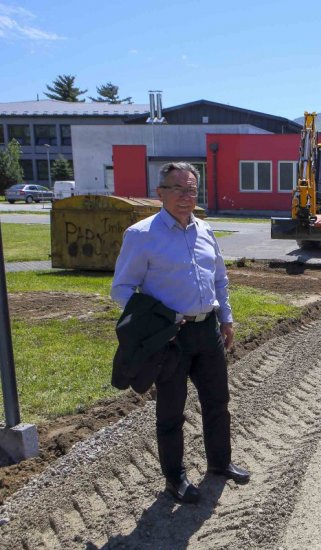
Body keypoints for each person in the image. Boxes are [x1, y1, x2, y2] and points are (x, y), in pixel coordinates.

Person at [111, 162, 250, 504]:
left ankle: (219, 462)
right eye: (178, 189)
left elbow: (220, 279)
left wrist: (226, 319)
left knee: (217, 402)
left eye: (191, 190)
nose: (186, 197)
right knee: (171, 411)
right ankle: (175, 479)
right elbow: (122, 289)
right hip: (170, 339)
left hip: (207, 332)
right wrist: (159, 321)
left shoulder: (205, 230)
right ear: (160, 193)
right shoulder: (141, 235)